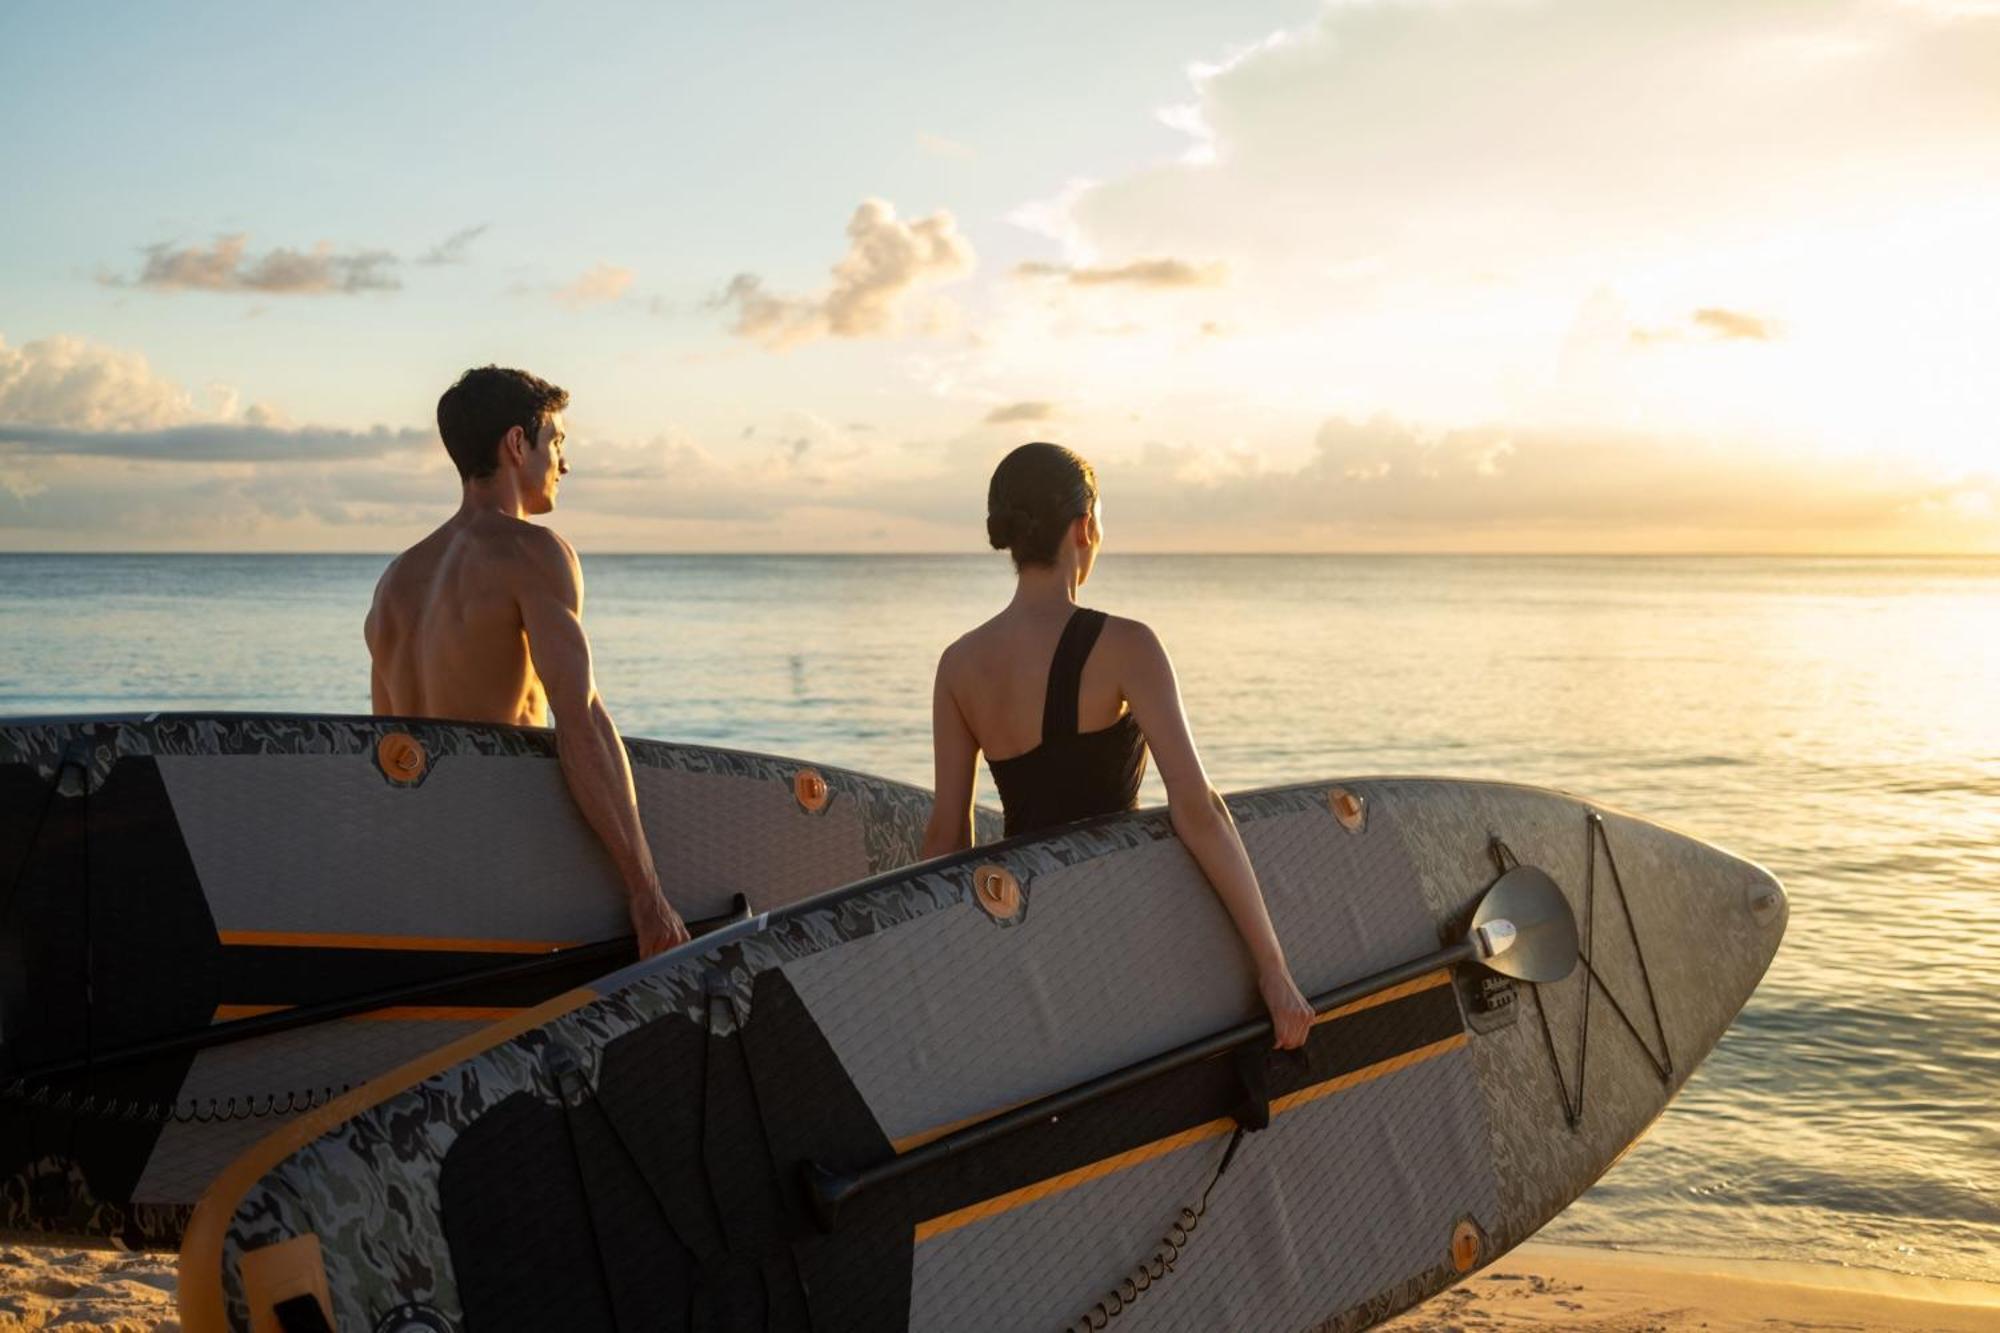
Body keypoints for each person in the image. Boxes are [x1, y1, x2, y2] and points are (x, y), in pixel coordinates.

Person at [920, 442, 1314, 1048]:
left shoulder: (959, 664)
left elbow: (947, 840)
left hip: (1024, 934)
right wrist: (1274, 968)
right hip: (1116, 928)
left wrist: (943, 974)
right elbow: (1198, 809)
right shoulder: (1128, 645)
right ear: (1084, 527)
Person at [364, 365, 687, 957]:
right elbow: (581, 717)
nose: (564, 465)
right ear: (518, 444)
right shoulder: (533, 552)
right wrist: (648, 893)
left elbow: (391, 746)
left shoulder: (396, 581)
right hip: (509, 858)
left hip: (419, 865)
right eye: (557, 442)